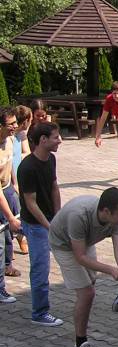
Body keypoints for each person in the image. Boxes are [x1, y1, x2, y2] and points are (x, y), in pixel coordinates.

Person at [48, 188, 118, 347]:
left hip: (84, 241)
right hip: (63, 244)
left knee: (90, 284)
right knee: (87, 292)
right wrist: (111, 270)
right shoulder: (79, 215)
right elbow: (80, 257)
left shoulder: (116, 219)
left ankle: (82, 317)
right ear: (106, 211)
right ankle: (80, 344)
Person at [18, 121, 63, 326]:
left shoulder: (51, 159)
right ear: (43, 140)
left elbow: (54, 187)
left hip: (50, 220)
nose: (59, 140)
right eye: (56, 137)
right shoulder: (27, 167)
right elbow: (30, 202)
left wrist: (58, 216)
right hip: (35, 225)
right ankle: (39, 313)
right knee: (40, 268)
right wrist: (48, 225)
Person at [0, 108, 21, 302]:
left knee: (10, 234)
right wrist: (9, 216)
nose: (15, 126)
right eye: (11, 124)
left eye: (15, 122)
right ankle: (0, 289)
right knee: (2, 238)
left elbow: (10, 164)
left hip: (7, 188)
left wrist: (15, 185)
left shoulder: (10, 140)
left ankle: (7, 265)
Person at [11, 105, 32, 256]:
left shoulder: (22, 135)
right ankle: (18, 236)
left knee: (19, 208)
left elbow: (27, 152)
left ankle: (20, 236)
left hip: (19, 174)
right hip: (10, 178)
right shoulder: (10, 137)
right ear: (25, 121)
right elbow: (7, 160)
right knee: (15, 208)